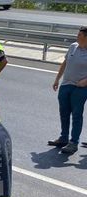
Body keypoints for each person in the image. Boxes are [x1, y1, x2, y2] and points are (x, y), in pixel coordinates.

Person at [48, 26, 87, 155]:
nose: (77, 37)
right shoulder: (73, 46)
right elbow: (65, 63)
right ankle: (63, 138)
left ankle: (73, 142)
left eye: (80, 35)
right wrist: (57, 79)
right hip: (66, 85)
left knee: (76, 115)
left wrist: (85, 81)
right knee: (64, 113)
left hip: (80, 88)